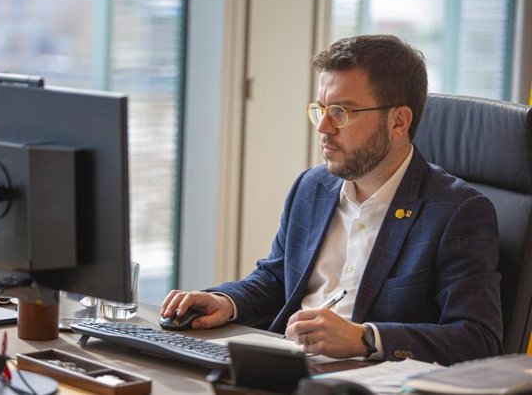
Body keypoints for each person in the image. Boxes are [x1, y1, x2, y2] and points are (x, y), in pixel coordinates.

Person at [161, 34, 503, 366]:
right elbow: (277, 279)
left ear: (398, 121)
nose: (323, 127)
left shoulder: (458, 212)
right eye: (321, 109)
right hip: (285, 367)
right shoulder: (312, 187)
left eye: (341, 111)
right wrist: (225, 301)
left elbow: (478, 338)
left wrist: (365, 338)